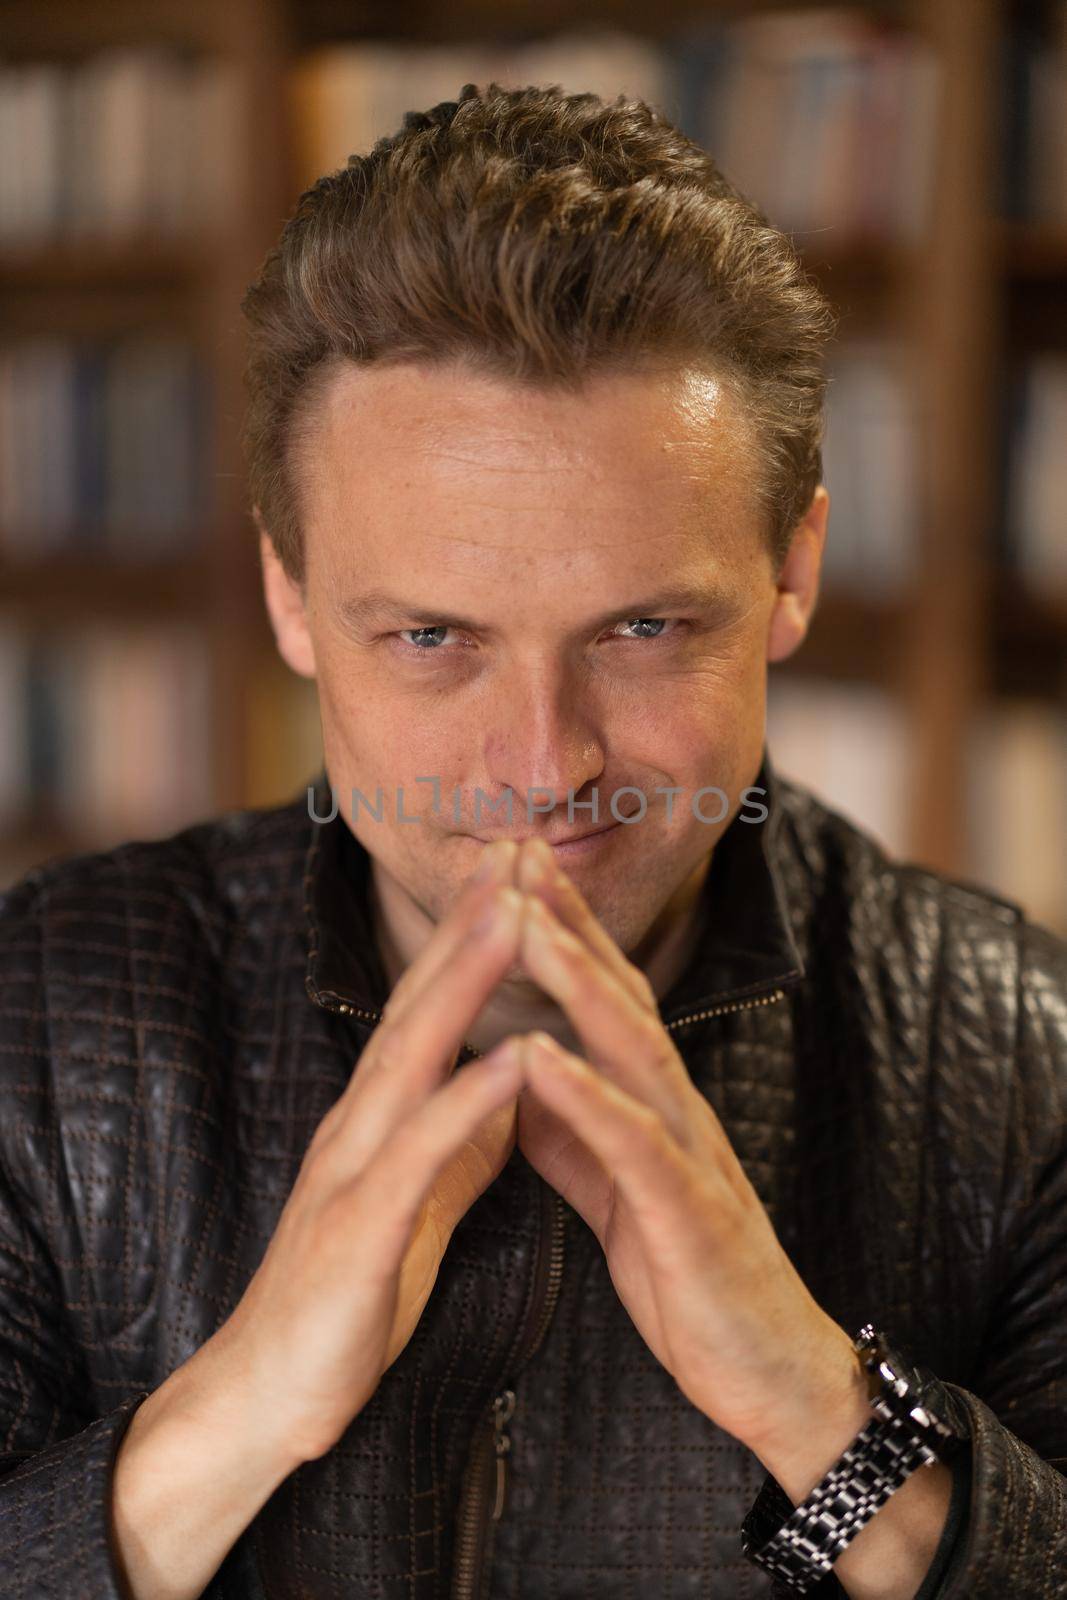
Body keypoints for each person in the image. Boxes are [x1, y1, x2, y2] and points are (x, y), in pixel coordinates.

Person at [0, 82, 1064, 1600]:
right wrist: (235, 1413)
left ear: (794, 572)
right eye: (432, 634)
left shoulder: (1027, 1051)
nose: (543, 764)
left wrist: (825, 1418)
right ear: (291, 599)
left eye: (645, 627)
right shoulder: (33, 1013)